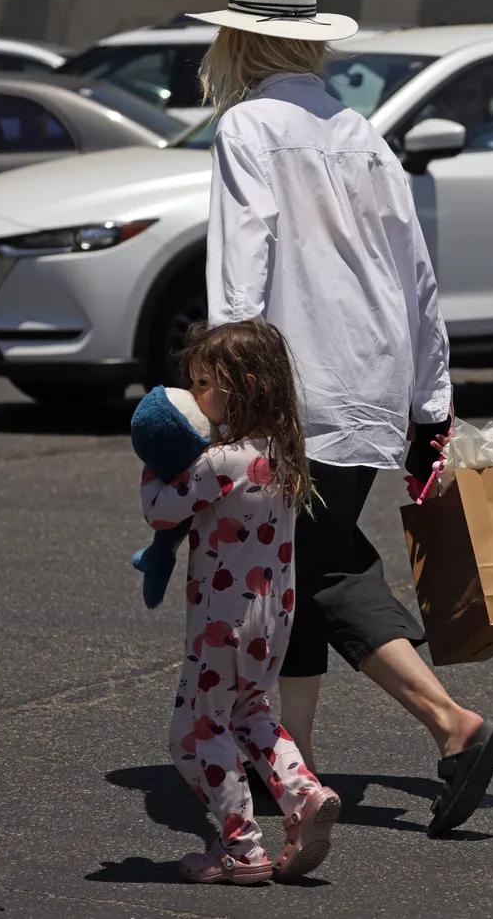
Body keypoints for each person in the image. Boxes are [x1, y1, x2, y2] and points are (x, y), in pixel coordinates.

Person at [189, 0, 493, 837]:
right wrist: (429, 402)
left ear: (240, 35)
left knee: (319, 566)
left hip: (294, 384)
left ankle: (454, 724)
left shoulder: (249, 129)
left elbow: (240, 272)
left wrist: (223, 393)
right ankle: (290, 763)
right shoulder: (361, 133)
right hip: (368, 375)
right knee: (298, 566)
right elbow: (417, 274)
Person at [141, 320, 341, 885]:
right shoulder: (282, 453)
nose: (196, 396)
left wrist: (155, 459)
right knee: (250, 714)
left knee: (195, 735)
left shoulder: (218, 463)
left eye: (205, 384)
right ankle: (303, 795)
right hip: (272, 619)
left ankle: (241, 846)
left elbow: (160, 510)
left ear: (243, 386)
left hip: (220, 626)